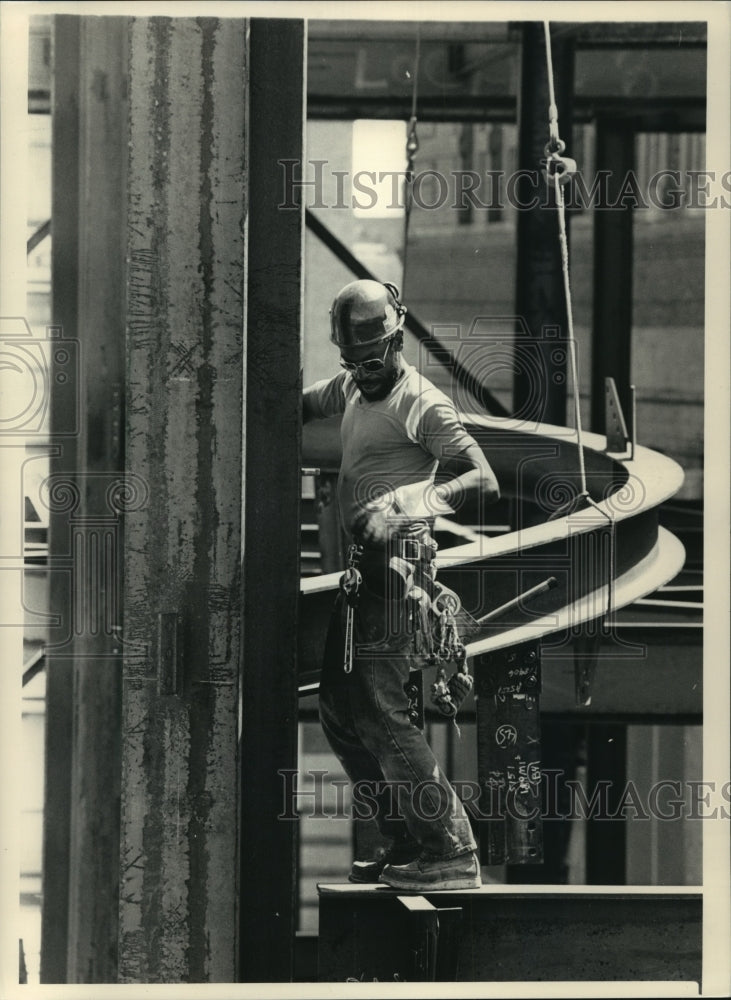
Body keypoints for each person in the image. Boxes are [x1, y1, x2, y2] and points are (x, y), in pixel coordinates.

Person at [303, 279, 499, 891]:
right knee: (339, 709)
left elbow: (482, 477)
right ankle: (405, 839)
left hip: (400, 571)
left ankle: (449, 849)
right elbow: (303, 404)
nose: (362, 372)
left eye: (372, 358)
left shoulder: (423, 403)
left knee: (382, 713)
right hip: (366, 573)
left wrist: (407, 500)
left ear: (397, 336)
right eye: (351, 361)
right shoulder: (355, 385)